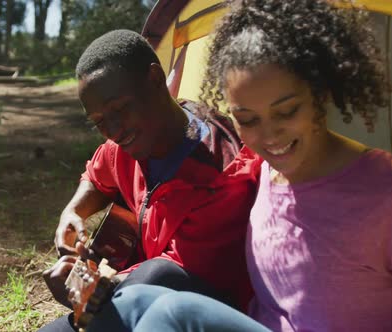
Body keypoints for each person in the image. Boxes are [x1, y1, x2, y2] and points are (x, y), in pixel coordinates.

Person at [86, 1, 392, 331]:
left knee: (170, 312)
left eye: (287, 111)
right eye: (247, 119)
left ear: (321, 92)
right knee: (138, 301)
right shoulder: (263, 175)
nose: (269, 135)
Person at [39, 29, 261, 331]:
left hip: (202, 312)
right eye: (100, 122)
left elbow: (173, 276)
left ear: (156, 80)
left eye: (120, 109)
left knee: (156, 275)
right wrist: (73, 212)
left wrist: (90, 287)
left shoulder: (221, 175)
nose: (114, 130)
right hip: (138, 290)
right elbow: (96, 174)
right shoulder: (131, 143)